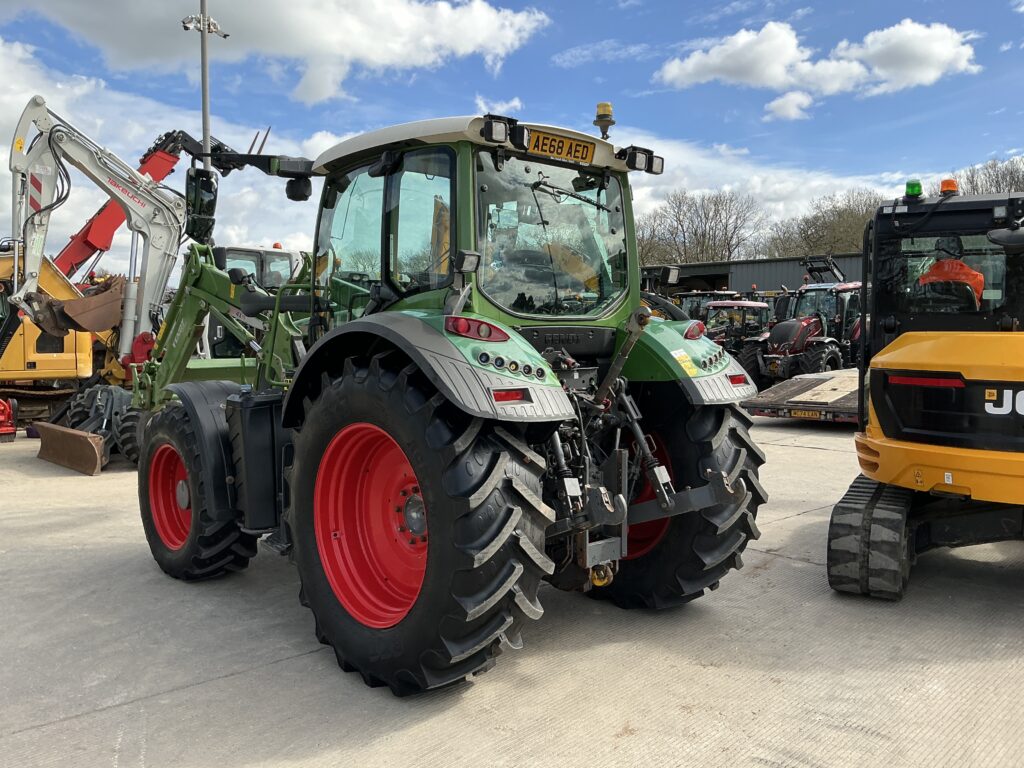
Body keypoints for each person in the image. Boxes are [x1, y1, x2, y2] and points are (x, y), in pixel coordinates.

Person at [918, 236, 984, 308]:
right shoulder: (977, 278)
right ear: (961, 257)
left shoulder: (922, 280)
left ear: (936, 257)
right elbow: (984, 308)